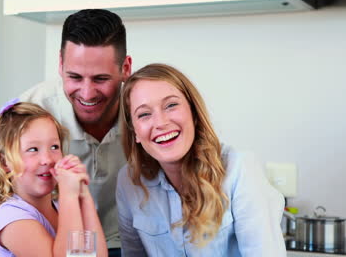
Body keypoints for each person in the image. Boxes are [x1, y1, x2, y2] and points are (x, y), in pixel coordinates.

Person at [0, 9, 131, 256]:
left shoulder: (145, 111)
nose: (87, 94)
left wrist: (80, 195)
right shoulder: (31, 112)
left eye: (100, 79)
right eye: (75, 77)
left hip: (120, 240)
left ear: (125, 68)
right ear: (60, 64)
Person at [116, 63, 286, 256]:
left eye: (171, 105)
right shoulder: (128, 182)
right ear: (135, 132)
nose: (161, 123)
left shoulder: (240, 170)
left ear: (194, 113)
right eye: (144, 114)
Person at [0, 101, 107, 256]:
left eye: (54, 147)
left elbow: (98, 255)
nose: (47, 159)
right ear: (4, 162)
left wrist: (83, 194)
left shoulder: (63, 208)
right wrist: (69, 195)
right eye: (33, 149)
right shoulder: (12, 218)